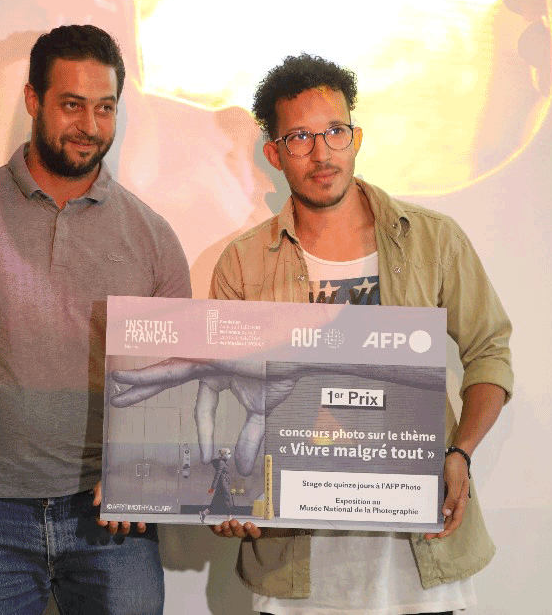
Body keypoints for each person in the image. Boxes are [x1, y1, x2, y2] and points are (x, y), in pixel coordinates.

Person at [0, 24, 191, 614]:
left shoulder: (153, 236)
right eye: (72, 105)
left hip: (112, 515)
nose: (90, 125)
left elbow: (177, 383)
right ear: (33, 100)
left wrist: (145, 473)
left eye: (105, 107)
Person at [207, 54, 513, 615]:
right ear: (275, 154)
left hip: (419, 567)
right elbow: (222, 392)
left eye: (334, 131)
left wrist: (461, 453)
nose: (321, 153)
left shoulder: (433, 240)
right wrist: (228, 488)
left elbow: (490, 351)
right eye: (299, 138)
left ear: (357, 137)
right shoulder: (243, 263)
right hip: (295, 573)